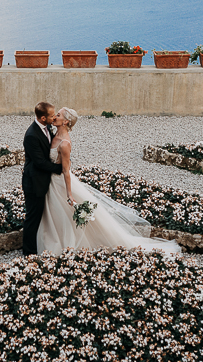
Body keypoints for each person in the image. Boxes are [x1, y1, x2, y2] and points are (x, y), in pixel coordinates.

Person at [36, 107, 181, 256]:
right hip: (50, 181)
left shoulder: (65, 143)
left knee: (62, 215)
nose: (54, 117)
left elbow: (66, 171)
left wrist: (69, 193)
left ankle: (62, 246)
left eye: (58, 115)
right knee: (54, 216)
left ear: (65, 121)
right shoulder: (52, 133)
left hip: (59, 183)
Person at [21, 102, 64, 256]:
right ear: (43, 117)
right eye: (52, 115)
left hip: (44, 181)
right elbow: (39, 162)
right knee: (32, 218)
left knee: (40, 216)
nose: (54, 118)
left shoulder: (47, 128)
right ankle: (29, 253)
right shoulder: (32, 135)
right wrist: (61, 169)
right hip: (34, 183)